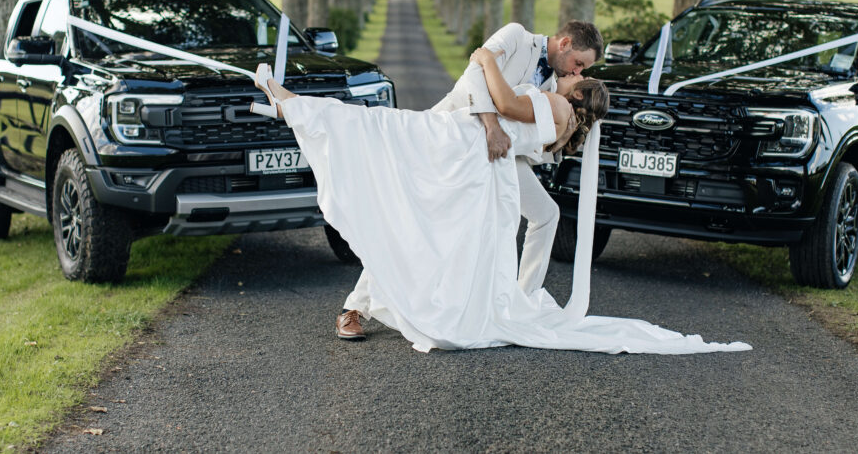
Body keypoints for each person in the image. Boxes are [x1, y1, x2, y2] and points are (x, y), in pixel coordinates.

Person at [252, 60, 751, 355]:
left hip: (461, 144)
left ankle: (283, 101)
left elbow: (508, 108)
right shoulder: (565, 127)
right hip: (475, 158)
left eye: (576, 77)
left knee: (376, 131)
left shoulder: (556, 107)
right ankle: (284, 102)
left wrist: (484, 58)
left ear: (577, 94)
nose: (568, 77)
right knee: (379, 140)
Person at [337, 20, 604, 340]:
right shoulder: (516, 37)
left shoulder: (554, 84)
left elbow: (529, 130)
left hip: (500, 157)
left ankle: (521, 304)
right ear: (564, 44)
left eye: (583, 70)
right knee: (417, 223)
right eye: (578, 64)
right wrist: (491, 125)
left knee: (547, 214)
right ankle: (354, 308)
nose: (577, 73)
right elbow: (475, 73)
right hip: (454, 135)